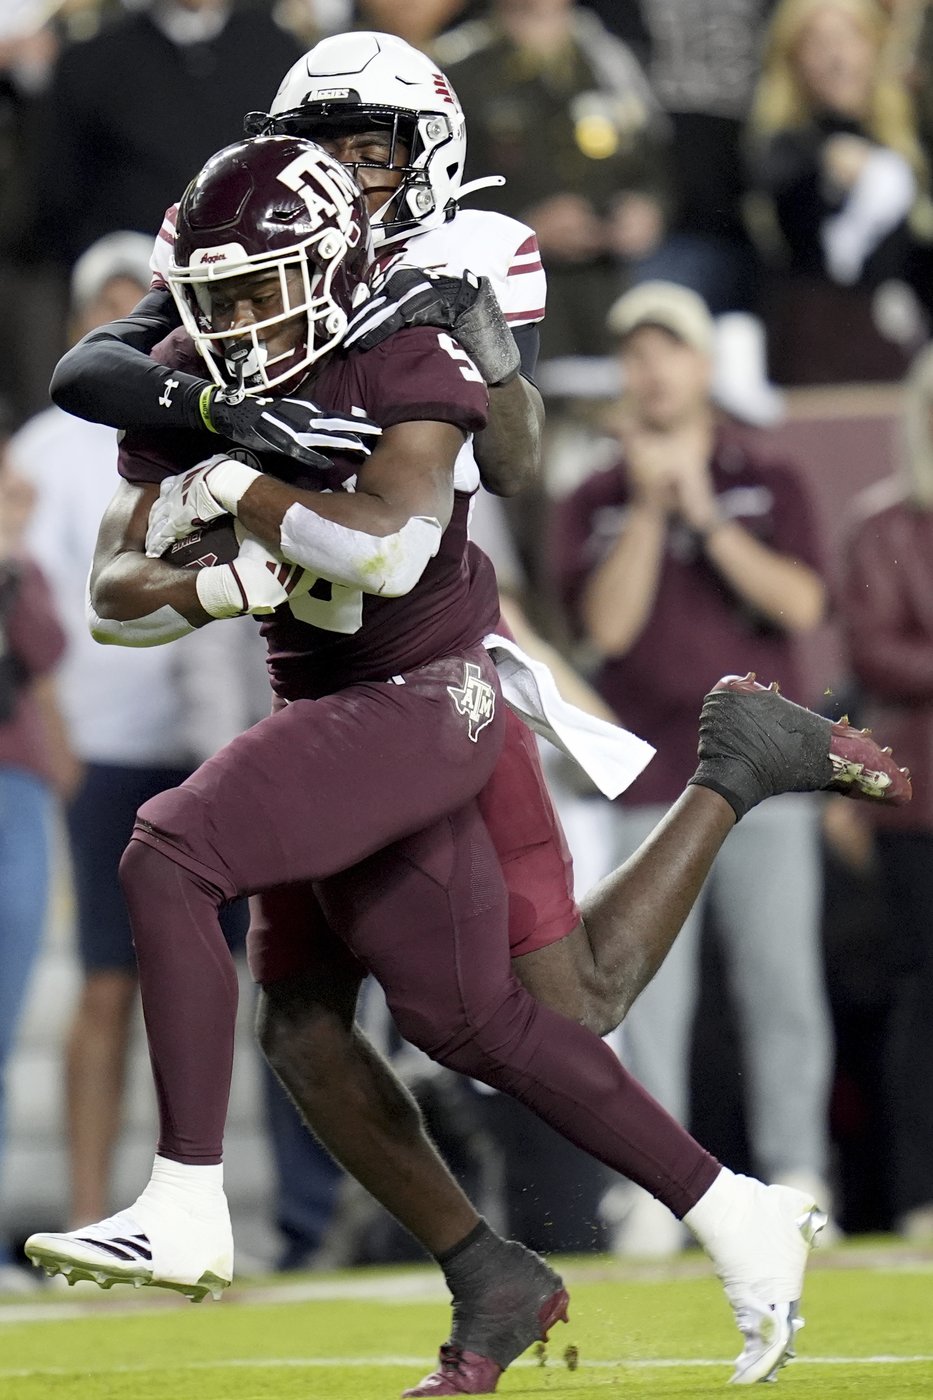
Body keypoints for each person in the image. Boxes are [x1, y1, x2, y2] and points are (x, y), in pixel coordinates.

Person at [36, 34, 909, 1392]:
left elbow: (463, 487)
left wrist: (250, 489)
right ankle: (538, 1251)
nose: (342, 172)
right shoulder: (248, 271)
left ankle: (199, 1199)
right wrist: (226, 422)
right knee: (465, 1015)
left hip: (429, 668)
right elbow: (100, 390)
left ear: (423, 158)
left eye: (369, 146)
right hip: (334, 681)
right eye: (323, 144)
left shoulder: (435, 283)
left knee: (424, 989)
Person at [550, 278, 861, 1257]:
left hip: (764, 779)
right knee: (642, 993)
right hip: (651, 783)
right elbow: (604, 627)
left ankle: (799, 1171)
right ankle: (654, 1188)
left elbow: (805, 605)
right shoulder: (593, 495)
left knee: (781, 983)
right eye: (636, 353)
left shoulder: (769, 473)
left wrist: (709, 518)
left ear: (703, 365)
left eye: (669, 350)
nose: (653, 370)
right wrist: (649, 508)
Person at [7, 231, 268, 1232]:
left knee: (263, 981)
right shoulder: (42, 448)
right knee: (110, 988)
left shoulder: (217, 417)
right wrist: (59, 735)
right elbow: (55, 609)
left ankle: (242, 1213)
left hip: (228, 737)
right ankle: (86, 1207)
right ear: (86, 322)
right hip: (111, 745)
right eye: (109, 301)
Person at [837, 341, 933, 1241]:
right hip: (922, 803)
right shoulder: (885, 528)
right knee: (922, 996)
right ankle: (919, 1193)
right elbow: (872, 651)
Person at [746, 0, 929, 384]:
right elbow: (792, 230)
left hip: (909, 347)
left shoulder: (910, 136)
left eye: (848, 38)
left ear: (875, 46)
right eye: (817, 42)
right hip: (816, 346)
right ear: (793, 58)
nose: (836, 57)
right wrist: (825, 167)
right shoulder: (783, 147)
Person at [0, 415, 74, 1290]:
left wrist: (12, 562)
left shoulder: (23, 575)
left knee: (3, 1023)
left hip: (16, 792)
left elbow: (48, 652)